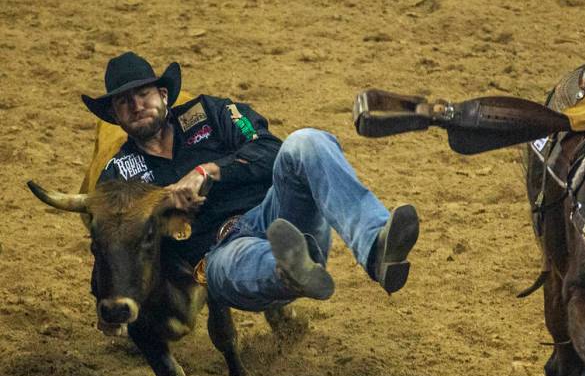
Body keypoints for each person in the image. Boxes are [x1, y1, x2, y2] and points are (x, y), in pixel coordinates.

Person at [82, 51, 419, 312]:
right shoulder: (120, 174)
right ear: (115, 115)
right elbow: (117, 242)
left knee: (305, 141)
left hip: (274, 211)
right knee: (235, 262)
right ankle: (290, 268)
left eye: (143, 94)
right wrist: (159, 207)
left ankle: (375, 246)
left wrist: (210, 171)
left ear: (164, 96)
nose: (137, 105)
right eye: (124, 102)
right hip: (219, 250)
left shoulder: (211, 113)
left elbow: (270, 148)